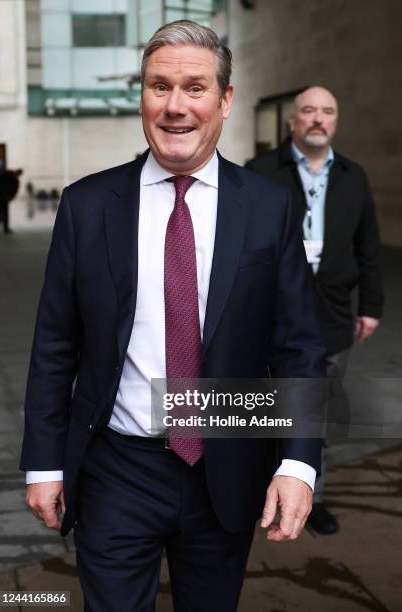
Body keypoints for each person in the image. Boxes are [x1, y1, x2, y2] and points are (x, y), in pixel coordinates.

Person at [20, 22, 326, 611]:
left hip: (228, 462)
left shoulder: (267, 207)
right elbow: (55, 343)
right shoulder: (88, 206)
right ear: (142, 97)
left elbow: (300, 346)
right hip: (117, 468)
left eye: (195, 87)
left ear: (225, 100)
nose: (176, 106)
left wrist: (298, 461)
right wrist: (42, 462)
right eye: (159, 87)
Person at [246, 86, 384, 535]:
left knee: (317, 413)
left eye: (328, 111)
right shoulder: (261, 172)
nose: (318, 119)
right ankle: (256, 492)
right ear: (292, 122)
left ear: (336, 121)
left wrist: (372, 307)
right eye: (308, 111)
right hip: (270, 315)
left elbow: (369, 248)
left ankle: (312, 496)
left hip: (333, 315)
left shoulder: (354, 176)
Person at [0, 168, 22, 233]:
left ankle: (0, 227)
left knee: (0, 211)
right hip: (2, 196)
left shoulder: (13, 178)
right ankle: (0, 227)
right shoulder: (11, 177)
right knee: (1, 212)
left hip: (1, 196)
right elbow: (14, 190)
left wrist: (11, 197)